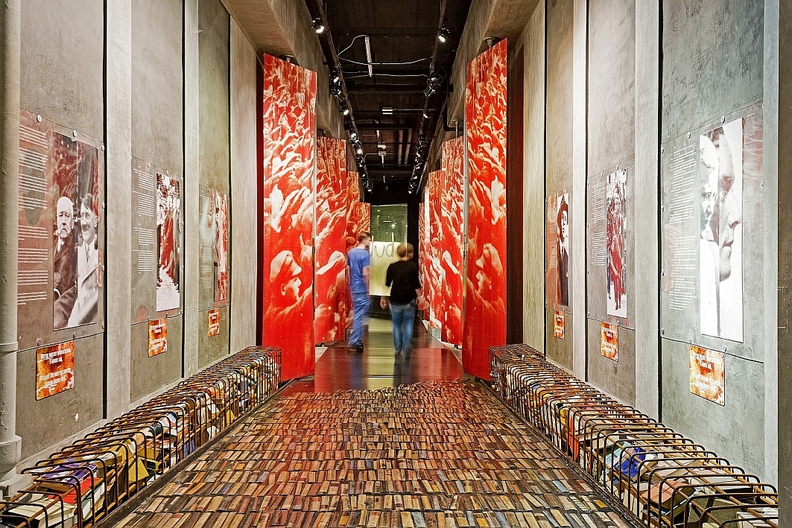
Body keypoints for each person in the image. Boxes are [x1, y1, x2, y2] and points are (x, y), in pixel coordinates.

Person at [380, 243, 422, 356]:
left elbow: (387, 284)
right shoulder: (412, 266)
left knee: (396, 324)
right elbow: (416, 284)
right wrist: (419, 296)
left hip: (395, 299)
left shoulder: (392, 266)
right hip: (409, 299)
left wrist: (383, 297)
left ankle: (398, 348)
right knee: (408, 323)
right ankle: (407, 346)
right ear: (407, 253)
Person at [67, 194, 101, 327]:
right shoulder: (79, 251)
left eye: (87, 215)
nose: (84, 222)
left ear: (96, 219)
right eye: (81, 216)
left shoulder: (102, 251)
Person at [347, 231, 371, 352]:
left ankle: (358, 340)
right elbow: (365, 273)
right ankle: (354, 341)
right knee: (360, 316)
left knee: (358, 313)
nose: (370, 242)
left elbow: (348, 270)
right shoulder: (365, 254)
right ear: (364, 239)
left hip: (354, 287)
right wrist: (368, 289)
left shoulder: (351, 253)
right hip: (361, 287)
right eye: (369, 239)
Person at [556, 196, 569, 307]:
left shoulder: (568, 250)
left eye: (565, 219)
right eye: (562, 219)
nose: (563, 224)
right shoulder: (558, 248)